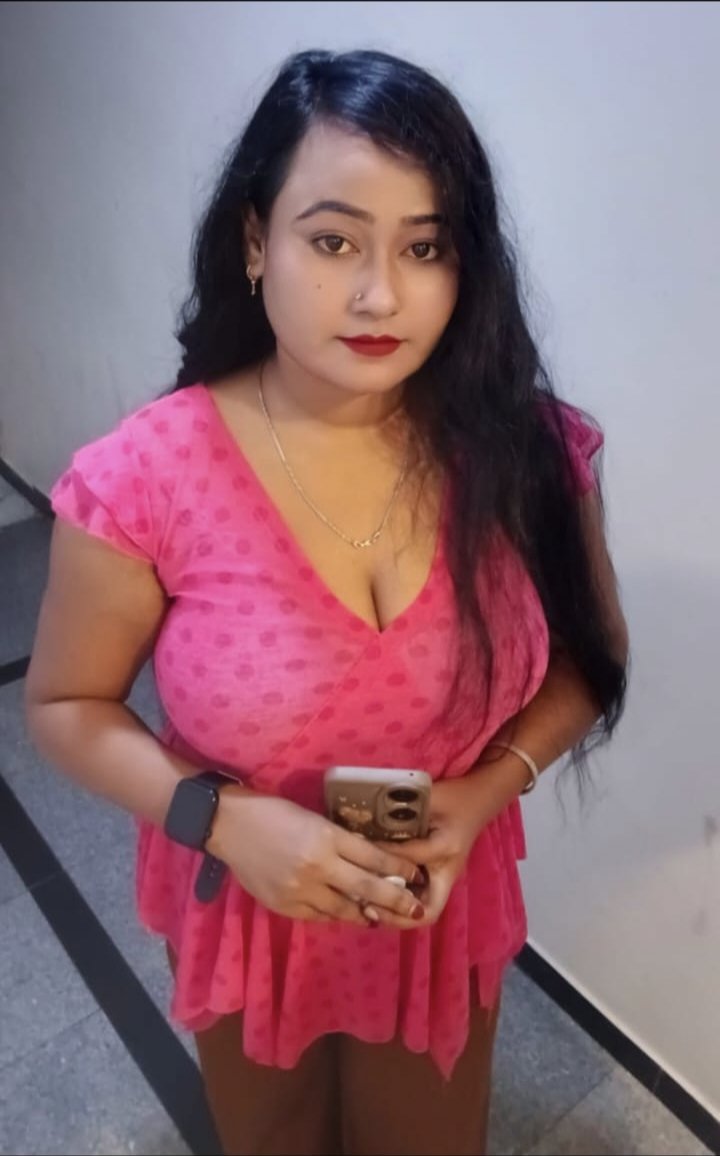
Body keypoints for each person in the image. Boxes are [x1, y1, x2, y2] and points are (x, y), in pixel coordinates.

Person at [25, 48, 629, 1156]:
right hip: (245, 893)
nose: (379, 295)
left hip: (433, 890)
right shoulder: (145, 477)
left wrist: (482, 796)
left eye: (425, 247)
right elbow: (65, 706)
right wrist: (221, 820)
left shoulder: (528, 452)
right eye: (335, 240)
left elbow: (591, 663)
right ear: (258, 241)